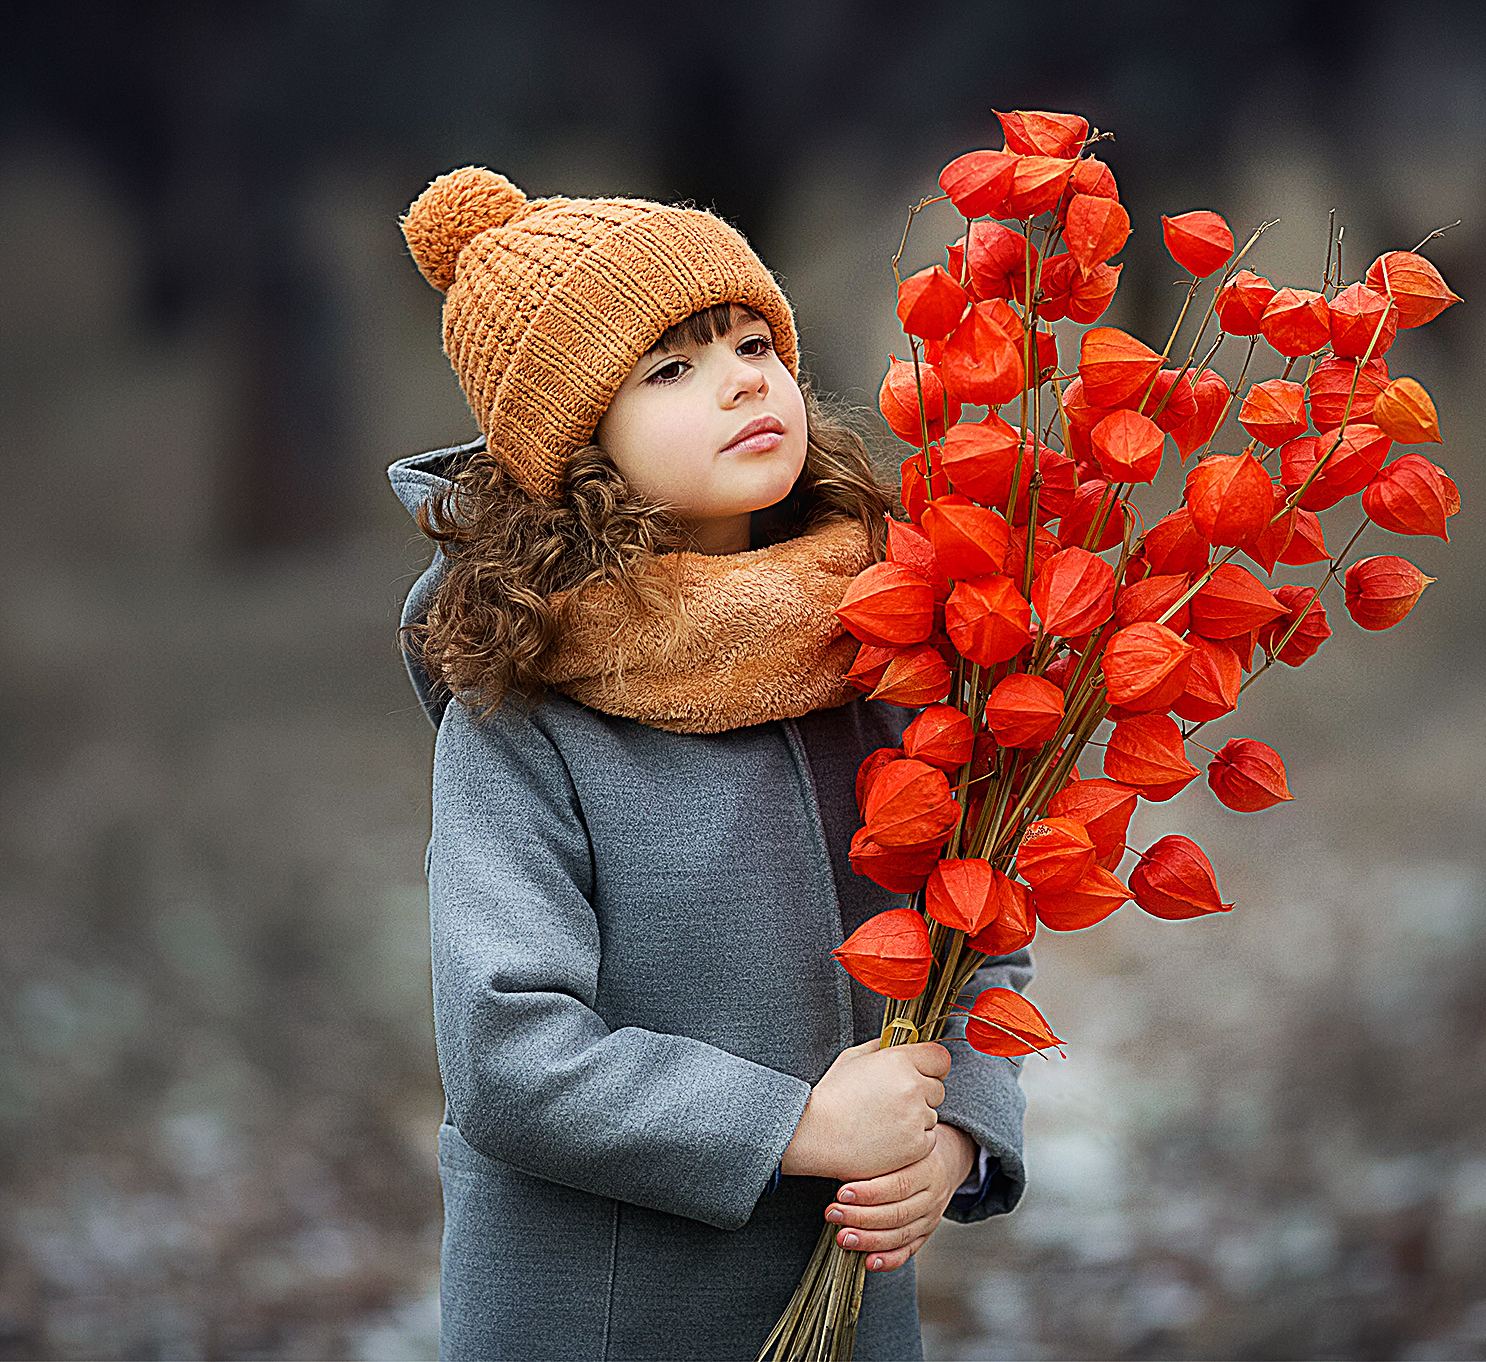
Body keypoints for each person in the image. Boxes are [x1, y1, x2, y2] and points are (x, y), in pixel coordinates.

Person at [387, 166, 1031, 1360]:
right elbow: (506, 1051)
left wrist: (953, 1139)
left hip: (840, 1303)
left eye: (751, 342)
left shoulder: (882, 642)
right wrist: (792, 1125)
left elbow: (977, 935)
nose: (740, 379)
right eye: (669, 369)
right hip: (605, 1318)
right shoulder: (524, 711)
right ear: (579, 449)